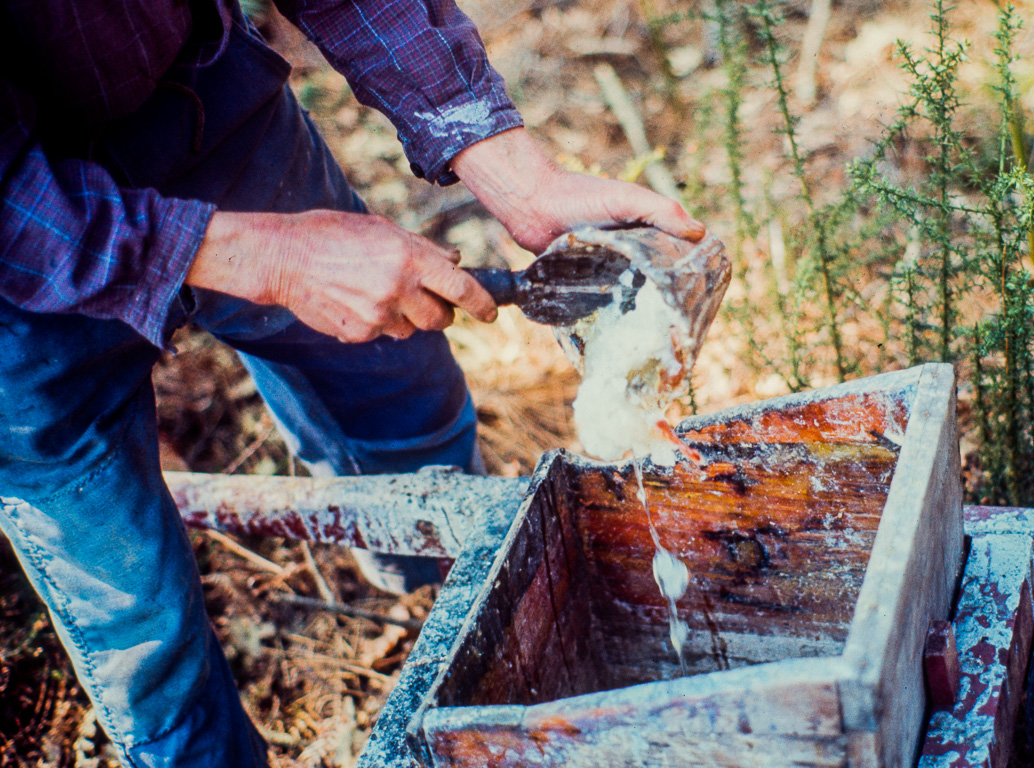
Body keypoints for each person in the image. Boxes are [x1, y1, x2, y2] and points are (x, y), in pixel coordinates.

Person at [0, 1, 704, 766]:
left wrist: (513, 173)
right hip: (16, 269)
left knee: (403, 395)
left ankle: (441, 605)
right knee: (138, 615)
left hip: (197, 108)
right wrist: (271, 258)